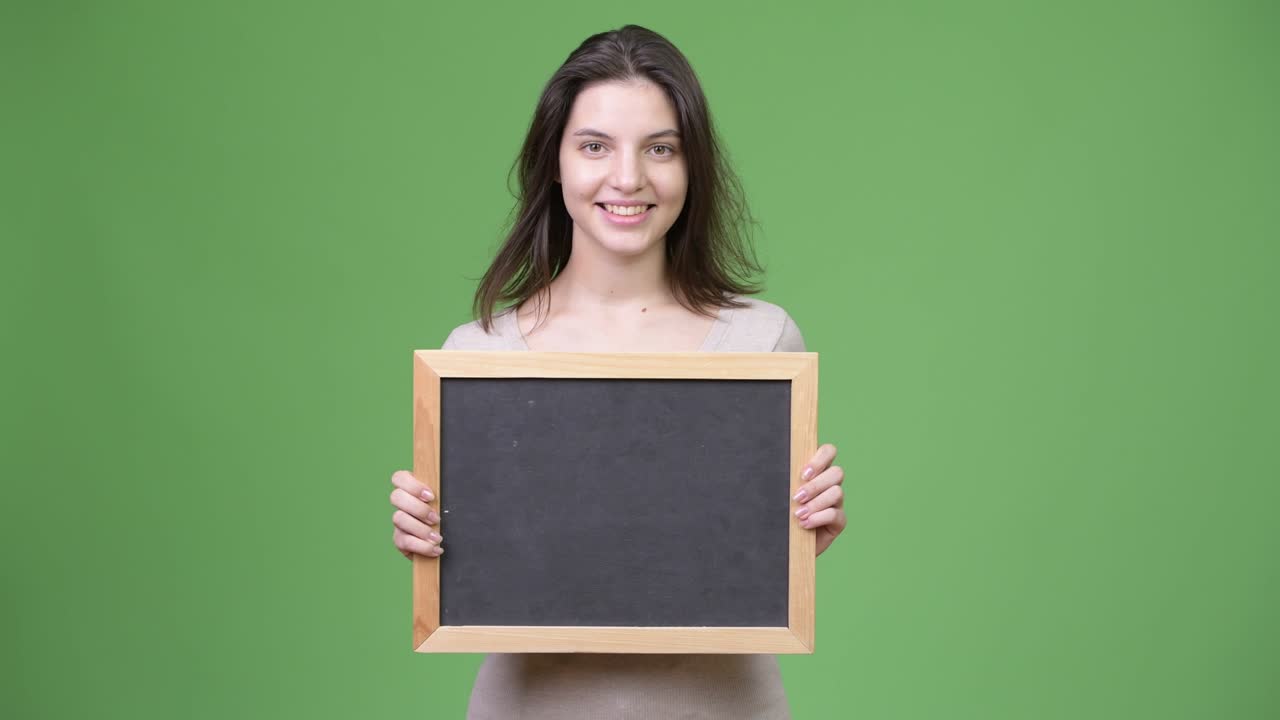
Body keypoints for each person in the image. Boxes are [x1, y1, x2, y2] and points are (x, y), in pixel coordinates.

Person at [388, 24, 847, 719]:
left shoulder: (762, 342)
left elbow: (739, 564)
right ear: (555, 162)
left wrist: (806, 531)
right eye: (595, 145)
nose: (628, 178)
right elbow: (488, 569)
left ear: (691, 168)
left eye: (660, 148)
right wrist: (434, 537)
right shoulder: (478, 358)